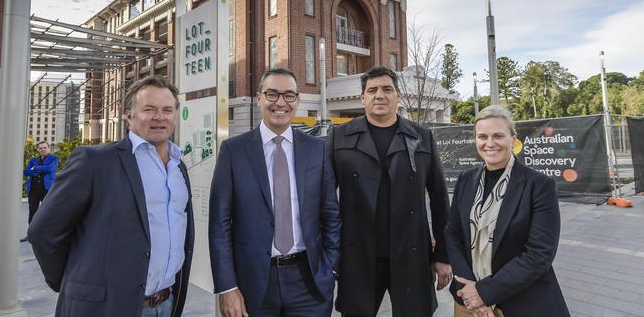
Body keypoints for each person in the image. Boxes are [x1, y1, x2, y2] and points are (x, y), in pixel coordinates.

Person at [28, 76, 195, 317]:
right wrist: (73, 281)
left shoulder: (178, 167)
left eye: (167, 110)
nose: (159, 117)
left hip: (166, 304)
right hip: (105, 308)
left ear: (175, 115)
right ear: (129, 116)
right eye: (149, 109)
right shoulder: (94, 161)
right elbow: (43, 231)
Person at [209, 68, 340, 317]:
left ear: (297, 101)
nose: (281, 102)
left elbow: (331, 214)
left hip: (309, 282)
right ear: (259, 98)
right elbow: (220, 225)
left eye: (289, 95)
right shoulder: (233, 151)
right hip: (253, 283)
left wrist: (330, 270)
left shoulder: (317, 150)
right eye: (272, 94)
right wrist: (227, 286)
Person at [329, 66, 452, 317]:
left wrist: (443, 255)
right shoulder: (339, 137)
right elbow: (323, 200)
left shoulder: (422, 137)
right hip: (357, 255)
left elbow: (439, 198)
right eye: (372, 90)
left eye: (387, 89)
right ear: (362, 97)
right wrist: (329, 254)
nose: (379, 95)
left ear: (398, 96)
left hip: (412, 253)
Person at [445, 105, 569, 317]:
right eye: (482, 136)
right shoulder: (466, 179)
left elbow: (539, 254)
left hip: (520, 303)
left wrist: (485, 292)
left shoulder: (538, 185)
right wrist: (470, 289)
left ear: (513, 138)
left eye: (498, 135)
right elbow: (453, 233)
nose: (489, 143)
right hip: (468, 302)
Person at [21, 141, 58, 242]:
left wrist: (36, 168)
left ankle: (48, 234)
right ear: (38, 149)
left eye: (44, 147)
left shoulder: (54, 158)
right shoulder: (33, 160)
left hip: (46, 189)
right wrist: (39, 170)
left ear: (48, 148)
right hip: (33, 190)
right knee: (32, 212)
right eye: (40, 148)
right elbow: (26, 171)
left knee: (47, 212)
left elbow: (50, 169)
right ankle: (30, 235)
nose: (43, 149)